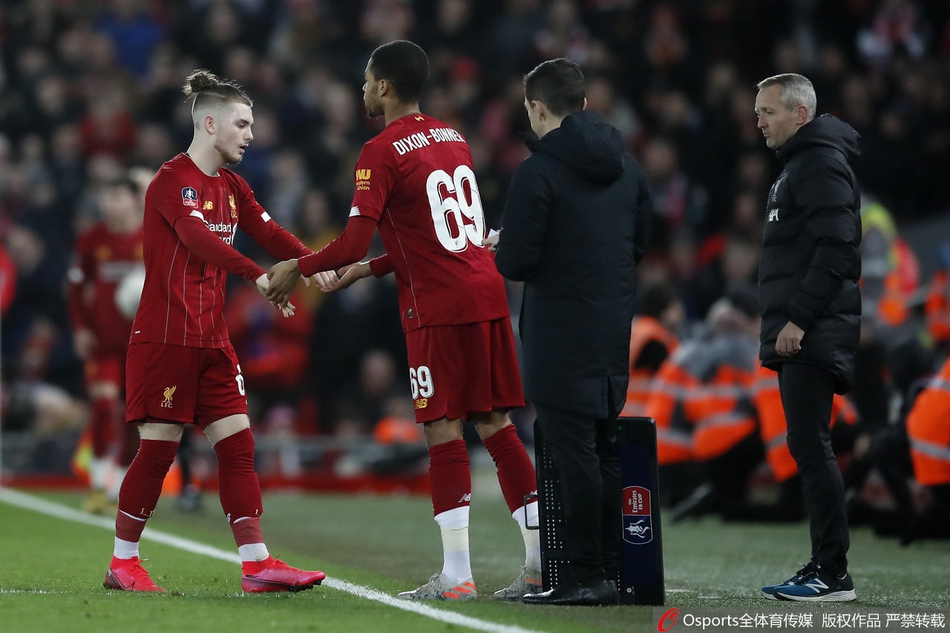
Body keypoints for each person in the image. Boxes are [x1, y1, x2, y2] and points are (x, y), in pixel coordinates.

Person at [265, 40, 541, 602]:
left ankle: (458, 576)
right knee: (496, 424)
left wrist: (297, 266)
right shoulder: (452, 137)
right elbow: (436, 237)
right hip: (484, 292)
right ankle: (540, 565)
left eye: (367, 79)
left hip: (437, 308)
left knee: (442, 428)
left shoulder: (379, 151)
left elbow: (349, 239)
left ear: (385, 86)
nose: (362, 88)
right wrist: (368, 271)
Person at [103, 69, 325, 594]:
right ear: (209, 123)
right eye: (242, 124)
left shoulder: (232, 185)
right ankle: (122, 562)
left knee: (238, 446)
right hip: (165, 338)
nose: (251, 135)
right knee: (158, 450)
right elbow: (197, 237)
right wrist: (256, 273)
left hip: (212, 340)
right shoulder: (169, 181)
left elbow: (267, 229)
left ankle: (256, 565)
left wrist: (315, 263)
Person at [492, 58, 651, 606]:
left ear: (538, 108)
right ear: (583, 103)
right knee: (603, 448)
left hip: (559, 334)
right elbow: (640, 244)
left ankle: (584, 575)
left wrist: (504, 242)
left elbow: (516, 261)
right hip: (611, 330)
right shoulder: (628, 167)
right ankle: (607, 569)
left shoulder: (538, 172)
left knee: (575, 451)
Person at [754, 73, 861, 602]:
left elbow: (839, 247)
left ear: (800, 114)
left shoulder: (817, 162)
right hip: (805, 327)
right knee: (807, 445)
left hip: (812, 328)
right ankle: (826, 565)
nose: (758, 122)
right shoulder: (801, 164)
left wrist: (798, 319)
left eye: (768, 112)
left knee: (811, 447)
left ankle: (832, 572)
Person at [67, 175, 145, 515]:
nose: (110, 205)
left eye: (117, 197)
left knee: (134, 416)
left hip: (143, 344)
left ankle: (122, 486)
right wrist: (81, 328)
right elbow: (75, 287)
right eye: (107, 198)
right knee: (102, 406)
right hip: (103, 342)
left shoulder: (152, 237)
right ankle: (99, 484)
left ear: (133, 200)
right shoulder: (92, 239)